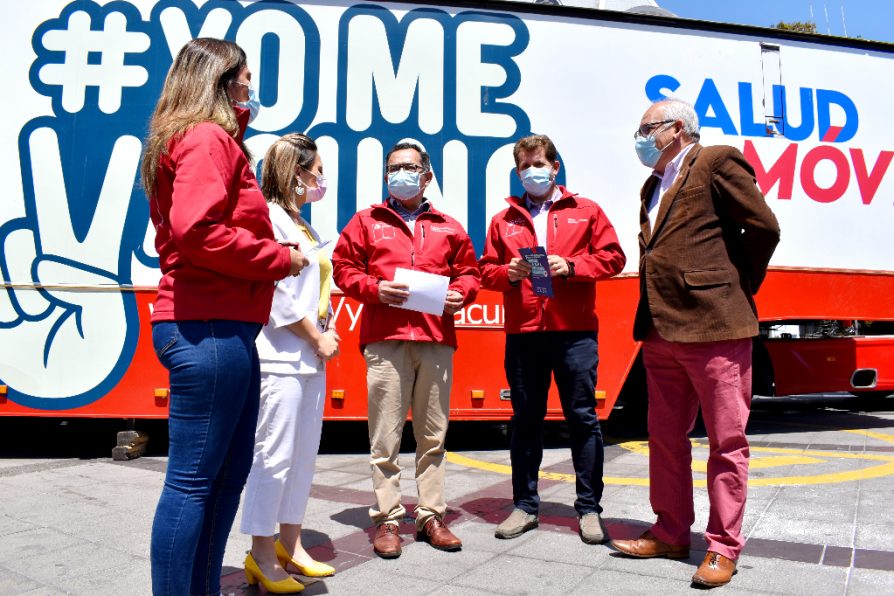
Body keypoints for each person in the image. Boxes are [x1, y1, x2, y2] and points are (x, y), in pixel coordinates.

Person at [141, 38, 308, 596]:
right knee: (193, 483)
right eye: (244, 79)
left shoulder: (200, 138)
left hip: (225, 325)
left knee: (224, 478)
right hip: (208, 326)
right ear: (220, 80)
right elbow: (198, 231)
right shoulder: (207, 137)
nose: (249, 89)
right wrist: (279, 258)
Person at [610, 99, 780, 588]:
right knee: (664, 437)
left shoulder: (716, 160)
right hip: (661, 329)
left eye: (646, 129)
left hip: (716, 327)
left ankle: (723, 547)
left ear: (676, 129)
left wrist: (732, 282)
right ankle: (669, 531)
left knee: (727, 442)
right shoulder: (652, 184)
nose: (639, 138)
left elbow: (764, 226)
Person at [332, 142, 480, 559]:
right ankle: (388, 520)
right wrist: (375, 289)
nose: (400, 174)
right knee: (385, 437)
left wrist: (461, 293)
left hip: (435, 339)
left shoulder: (449, 226)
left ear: (427, 175)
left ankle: (431, 515)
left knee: (432, 436)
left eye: (409, 167)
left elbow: (470, 272)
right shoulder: (366, 221)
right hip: (385, 338)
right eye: (393, 167)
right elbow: (344, 268)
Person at [478, 134, 626, 544]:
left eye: (538, 163)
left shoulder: (586, 210)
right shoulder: (503, 219)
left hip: (574, 334)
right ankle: (524, 506)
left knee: (582, 417)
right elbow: (484, 270)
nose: (531, 172)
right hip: (525, 334)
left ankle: (589, 509)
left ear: (555, 166)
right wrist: (506, 274)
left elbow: (614, 257)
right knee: (525, 420)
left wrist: (573, 265)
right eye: (524, 166)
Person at [239, 134, 339, 593]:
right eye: (316, 171)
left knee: (301, 457)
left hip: (310, 358)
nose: (321, 180)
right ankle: (261, 553)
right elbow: (278, 290)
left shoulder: (303, 224)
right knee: (273, 456)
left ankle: (291, 544)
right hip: (280, 357)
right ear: (297, 173)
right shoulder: (270, 218)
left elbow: (314, 289)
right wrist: (317, 337)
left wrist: (325, 333)